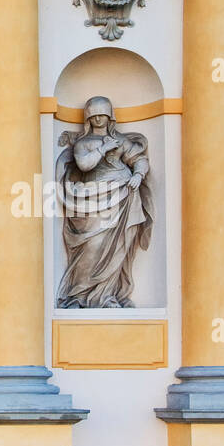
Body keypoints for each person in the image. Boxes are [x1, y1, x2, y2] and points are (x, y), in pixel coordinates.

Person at [55, 96, 153, 308]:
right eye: (95, 116)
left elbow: (140, 159)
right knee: (92, 246)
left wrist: (138, 175)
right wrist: (103, 148)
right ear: (88, 118)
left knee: (118, 245)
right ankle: (79, 296)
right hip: (93, 198)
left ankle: (107, 296)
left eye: (103, 115)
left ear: (110, 117)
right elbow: (84, 165)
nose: (99, 119)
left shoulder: (121, 141)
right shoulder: (83, 143)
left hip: (123, 196)